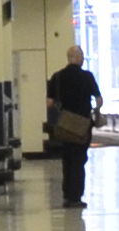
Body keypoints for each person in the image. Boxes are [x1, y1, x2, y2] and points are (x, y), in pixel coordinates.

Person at [42, 47, 104, 206]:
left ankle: (67, 194)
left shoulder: (57, 77)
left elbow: (49, 103)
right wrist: (95, 111)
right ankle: (76, 197)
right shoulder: (87, 76)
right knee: (79, 160)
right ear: (79, 58)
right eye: (82, 56)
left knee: (67, 159)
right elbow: (98, 100)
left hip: (64, 125)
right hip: (82, 125)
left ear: (68, 58)